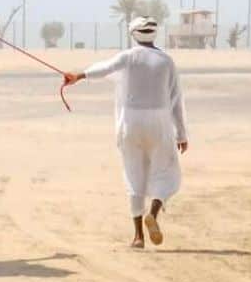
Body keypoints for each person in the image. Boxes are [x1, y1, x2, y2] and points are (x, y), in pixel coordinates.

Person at [62, 17, 188, 249]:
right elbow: (176, 99)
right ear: (154, 34)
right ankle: (154, 211)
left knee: (134, 174)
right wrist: (181, 134)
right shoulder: (166, 61)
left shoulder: (128, 57)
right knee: (166, 171)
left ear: (133, 34)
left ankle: (138, 237)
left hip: (130, 122)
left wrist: (78, 76)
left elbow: (104, 69)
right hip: (159, 121)